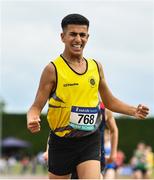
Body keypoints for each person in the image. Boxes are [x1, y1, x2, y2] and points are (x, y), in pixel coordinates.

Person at [27, 13, 149, 179]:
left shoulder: (95, 67)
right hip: (62, 142)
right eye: (73, 34)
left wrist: (133, 110)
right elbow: (36, 107)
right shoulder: (52, 69)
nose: (78, 39)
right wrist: (32, 118)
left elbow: (109, 101)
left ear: (87, 37)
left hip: (89, 139)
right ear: (63, 37)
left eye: (82, 35)